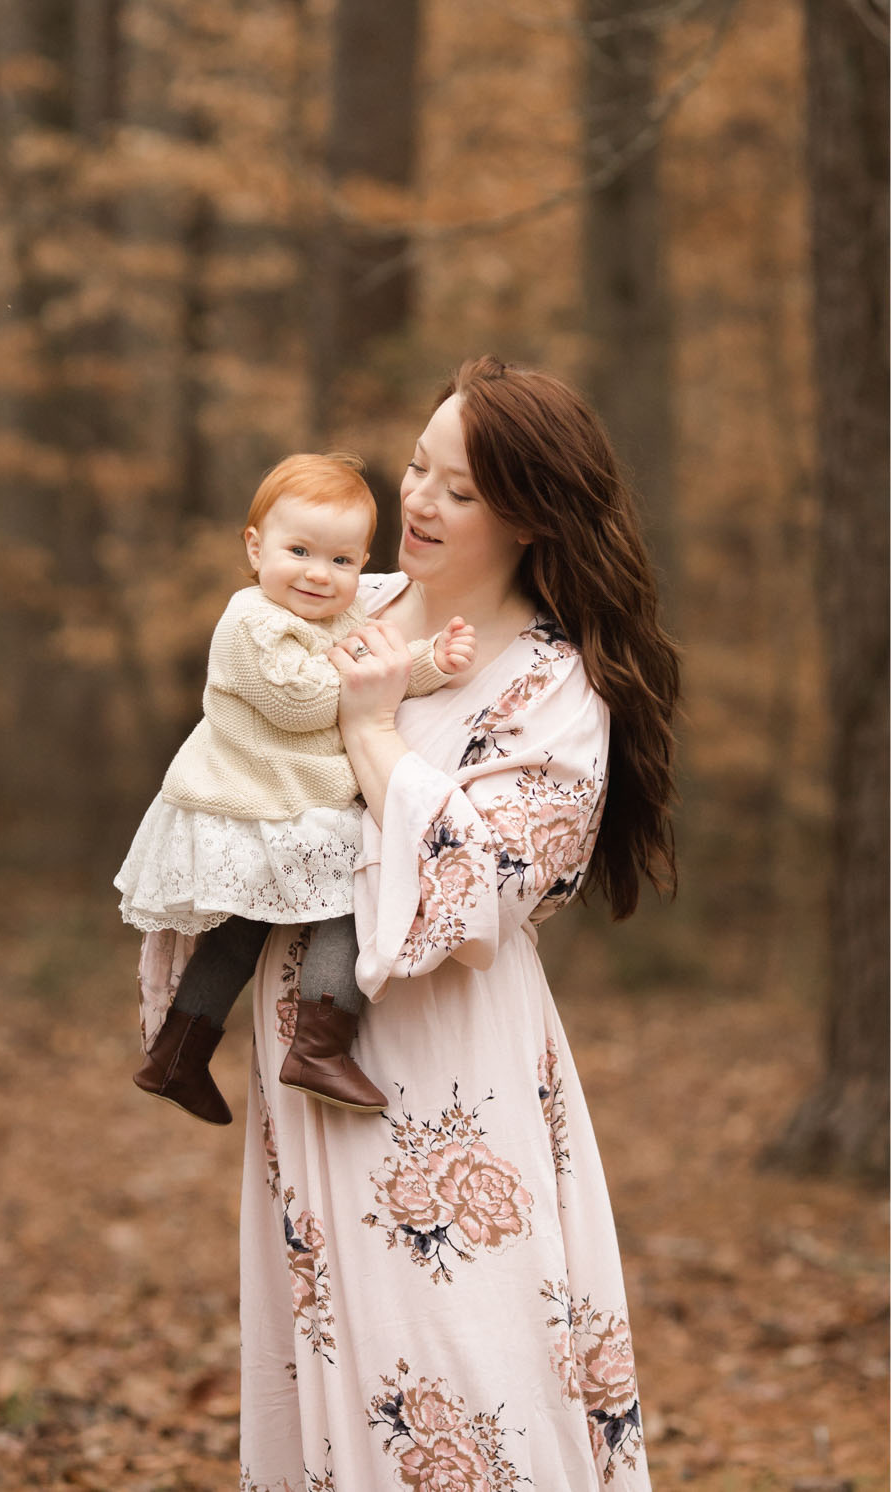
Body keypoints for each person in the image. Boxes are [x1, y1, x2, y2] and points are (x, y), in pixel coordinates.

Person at [235, 357, 675, 1489]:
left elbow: (484, 885)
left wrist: (375, 733)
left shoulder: (553, 689)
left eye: (459, 489)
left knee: (463, 1379)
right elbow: (234, 755)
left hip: (445, 1078)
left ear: (528, 516)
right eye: (416, 470)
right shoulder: (348, 603)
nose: (417, 503)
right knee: (335, 1363)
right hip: (304, 1062)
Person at [115, 453, 477, 1123]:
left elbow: (379, 672)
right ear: (255, 549)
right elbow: (304, 703)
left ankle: (178, 1057)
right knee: (347, 908)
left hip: (282, 805)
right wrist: (380, 682)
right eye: (300, 551)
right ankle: (318, 1046)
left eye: (342, 562)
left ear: (362, 564)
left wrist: (430, 662)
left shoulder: (339, 623)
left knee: (241, 937)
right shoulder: (252, 621)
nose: (319, 573)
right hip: (256, 806)